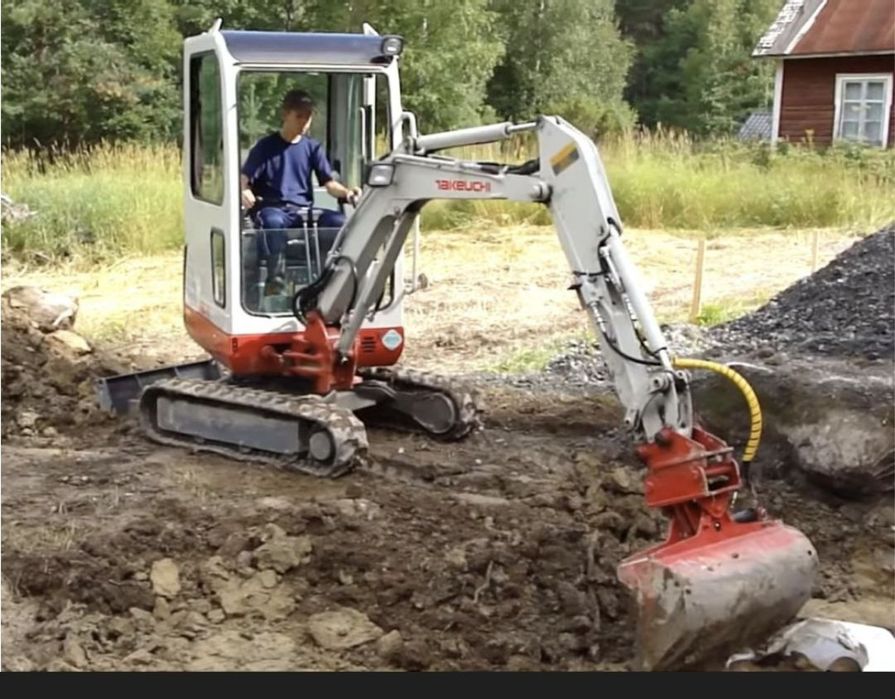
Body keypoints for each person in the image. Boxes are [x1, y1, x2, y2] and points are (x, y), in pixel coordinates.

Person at [240, 89, 361, 295]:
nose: (304, 123)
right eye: (299, 116)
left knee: (338, 222)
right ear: (285, 114)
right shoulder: (265, 147)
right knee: (273, 223)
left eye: (308, 117)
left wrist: (348, 194)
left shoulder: (312, 148)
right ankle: (275, 283)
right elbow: (244, 179)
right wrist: (244, 190)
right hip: (273, 209)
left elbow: (329, 184)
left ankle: (329, 279)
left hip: (303, 211)